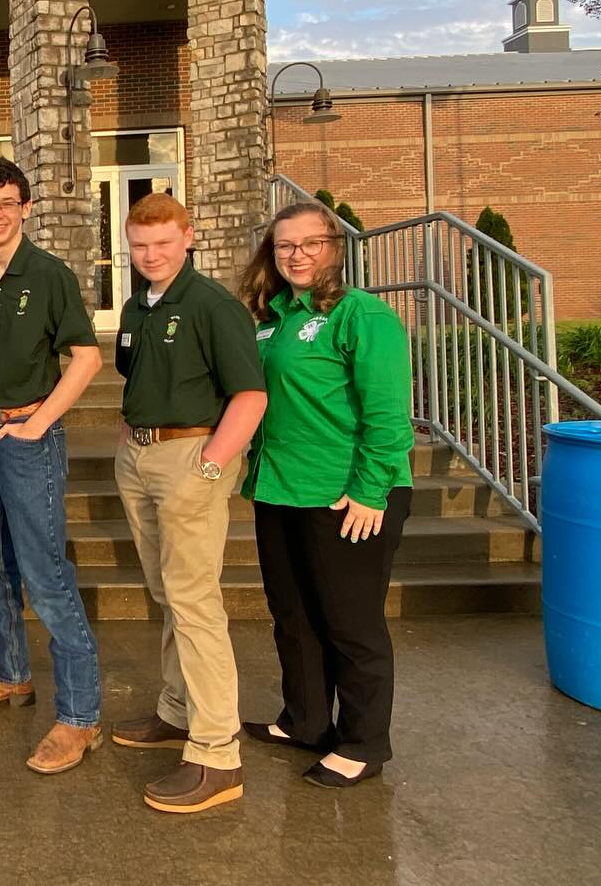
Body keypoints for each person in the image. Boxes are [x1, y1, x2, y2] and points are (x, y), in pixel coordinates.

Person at [238, 201, 414, 788]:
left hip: (345, 494)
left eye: (311, 243)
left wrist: (371, 491)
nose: (297, 255)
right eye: (285, 245)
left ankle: (364, 742)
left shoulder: (361, 314)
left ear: (335, 247)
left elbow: (388, 416)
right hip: (279, 488)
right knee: (293, 616)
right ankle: (308, 720)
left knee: (350, 622)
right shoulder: (272, 316)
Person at [109, 193, 267, 813]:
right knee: (167, 593)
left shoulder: (212, 306)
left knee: (195, 601)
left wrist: (210, 463)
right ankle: (177, 712)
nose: (150, 256)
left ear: (188, 238)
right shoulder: (137, 305)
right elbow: (137, 375)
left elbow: (249, 396)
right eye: (140, 246)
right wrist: (132, 434)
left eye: (163, 244)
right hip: (142, 455)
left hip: (191, 458)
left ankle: (216, 753)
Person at [0, 156, 105, 775]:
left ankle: (80, 717)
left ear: (26, 208)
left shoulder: (49, 274)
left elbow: (87, 359)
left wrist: (38, 421)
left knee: (44, 574)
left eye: (8, 203)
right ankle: (9, 675)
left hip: (28, 438)